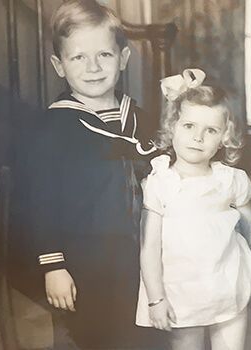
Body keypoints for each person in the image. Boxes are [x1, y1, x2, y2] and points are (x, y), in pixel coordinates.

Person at [26, 0, 157, 349]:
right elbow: (40, 202)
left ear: (124, 59)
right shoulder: (53, 127)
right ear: (59, 65)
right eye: (78, 57)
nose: (93, 67)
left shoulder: (140, 120)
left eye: (105, 55)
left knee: (144, 334)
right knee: (95, 336)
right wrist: (54, 266)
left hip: (139, 256)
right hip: (84, 260)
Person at [135, 69, 251, 350]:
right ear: (173, 127)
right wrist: (156, 299)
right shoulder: (161, 182)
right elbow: (149, 247)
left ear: (223, 138)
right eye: (189, 126)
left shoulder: (229, 180)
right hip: (181, 291)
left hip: (228, 285)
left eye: (211, 130)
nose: (198, 137)